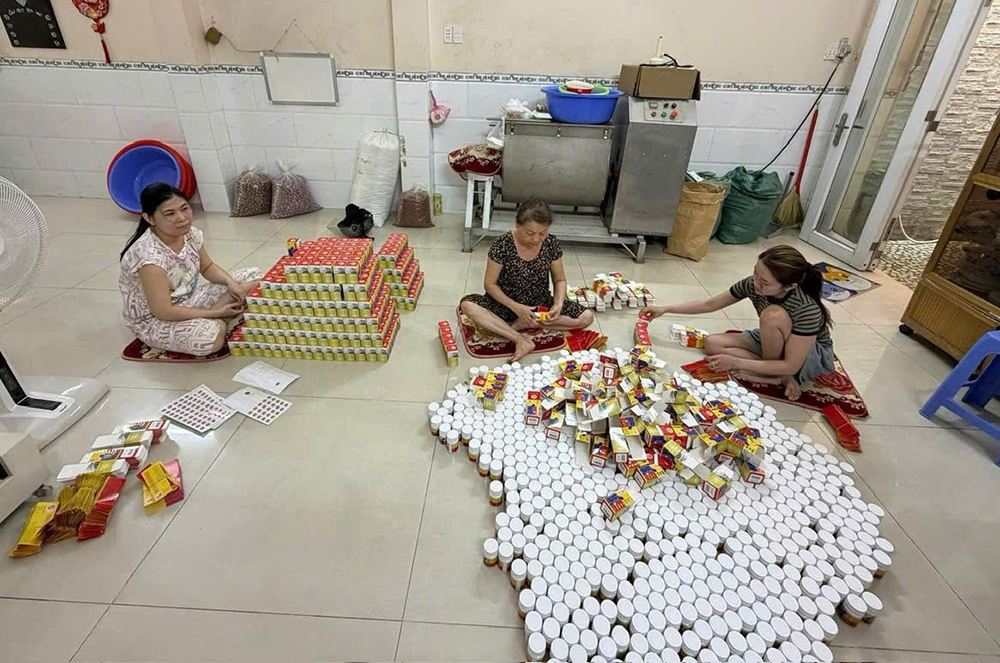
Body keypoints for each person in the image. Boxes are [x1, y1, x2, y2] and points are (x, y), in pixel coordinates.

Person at [640, 245, 835, 400]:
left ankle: (776, 374)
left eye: (765, 282)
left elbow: (792, 364)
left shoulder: (806, 308)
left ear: (789, 286)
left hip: (808, 353)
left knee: (771, 315)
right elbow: (710, 304)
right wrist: (665, 309)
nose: (756, 283)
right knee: (712, 343)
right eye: (756, 274)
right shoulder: (753, 284)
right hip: (776, 341)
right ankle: (774, 370)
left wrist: (735, 362)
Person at [119, 183, 261, 356]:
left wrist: (230, 283)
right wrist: (215, 313)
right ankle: (217, 319)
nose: (181, 218)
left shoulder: (189, 233)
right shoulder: (149, 258)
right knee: (211, 338)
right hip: (156, 320)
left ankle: (217, 319)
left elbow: (207, 267)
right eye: (170, 213)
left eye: (184, 208)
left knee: (253, 277)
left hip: (187, 300)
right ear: (150, 218)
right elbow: (163, 311)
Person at [460, 197, 595, 361]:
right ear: (517, 224)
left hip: (539, 304)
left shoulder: (551, 243)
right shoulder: (502, 244)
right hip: (505, 304)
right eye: (529, 233)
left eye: (542, 233)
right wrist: (516, 307)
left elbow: (559, 280)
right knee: (468, 305)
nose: (536, 239)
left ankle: (519, 324)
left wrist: (558, 304)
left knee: (586, 317)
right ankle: (520, 339)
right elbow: (490, 284)